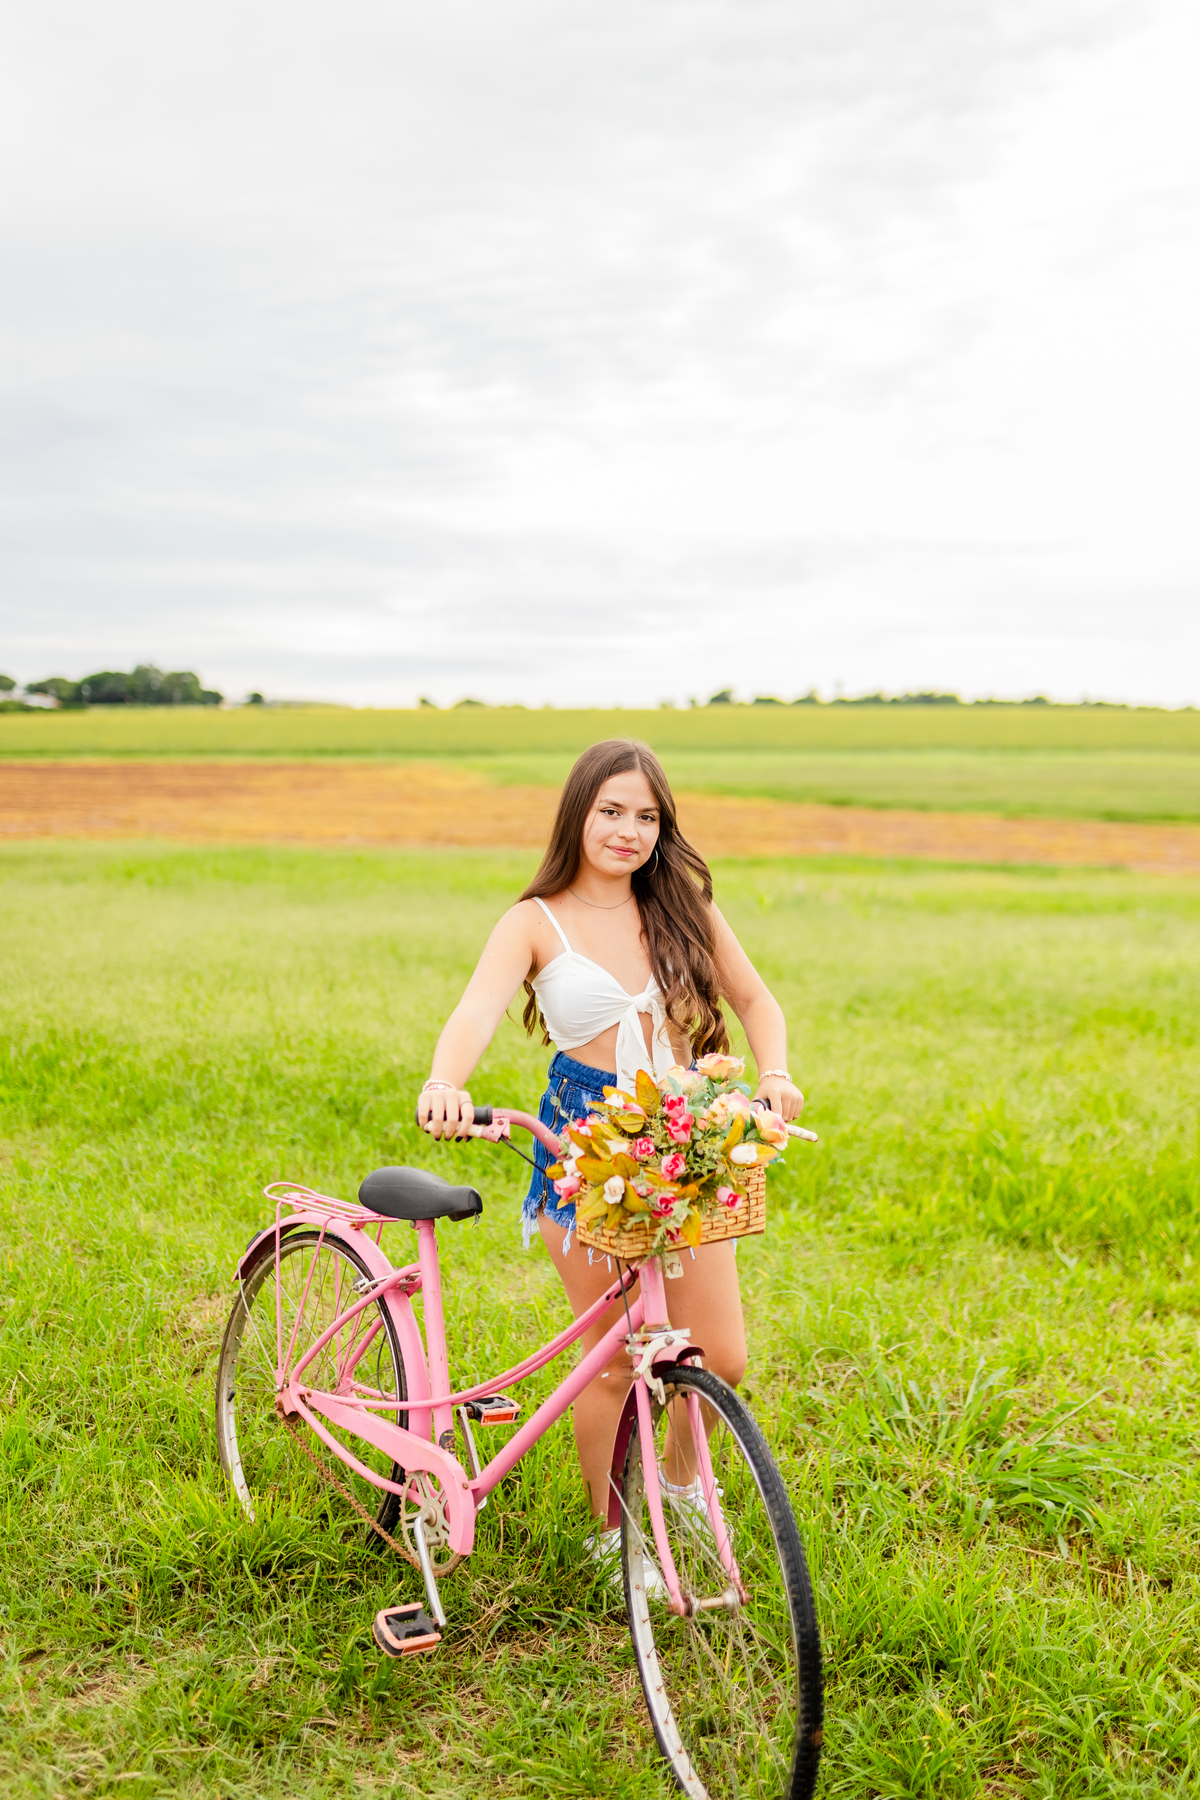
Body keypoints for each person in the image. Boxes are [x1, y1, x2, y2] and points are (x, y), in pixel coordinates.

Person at [417, 738, 804, 1571]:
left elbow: (755, 998)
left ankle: (682, 1489)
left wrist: (773, 1075)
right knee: (614, 1364)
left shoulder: (682, 907)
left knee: (720, 1355)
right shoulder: (534, 920)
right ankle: (613, 1537)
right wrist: (445, 1082)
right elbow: (477, 1010)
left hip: (683, 1132)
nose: (629, 831)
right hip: (583, 1140)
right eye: (612, 811)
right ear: (579, 814)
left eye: (647, 817)